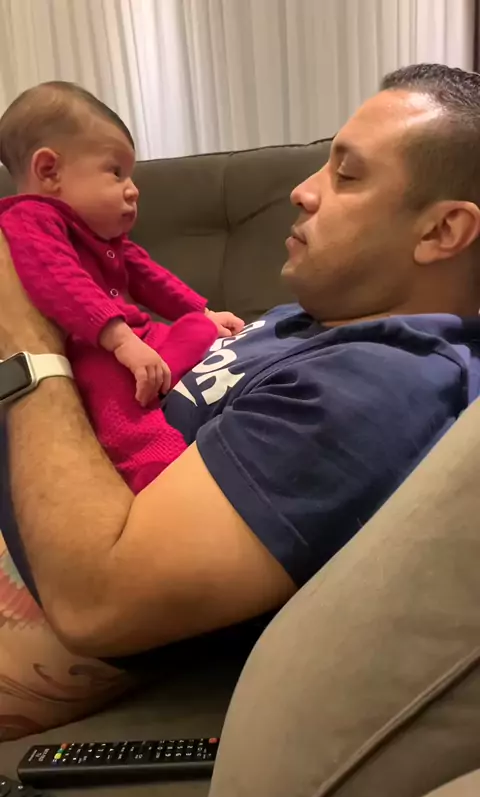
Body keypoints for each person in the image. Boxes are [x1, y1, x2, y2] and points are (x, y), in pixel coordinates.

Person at [1, 62, 480, 715]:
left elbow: (97, 599)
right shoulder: (309, 318)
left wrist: (25, 338)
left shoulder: (379, 384)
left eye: (346, 174)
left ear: (441, 231)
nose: (302, 191)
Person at [0, 82, 244, 493]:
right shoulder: (28, 220)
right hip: (90, 350)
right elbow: (62, 283)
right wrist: (120, 341)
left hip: (136, 339)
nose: (133, 189)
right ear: (49, 171)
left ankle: (162, 377)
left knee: (195, 329)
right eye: (116, 172)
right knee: (119, 402)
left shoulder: (103, 236)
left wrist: (202, 312)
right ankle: (155, 469)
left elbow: (151, 277)